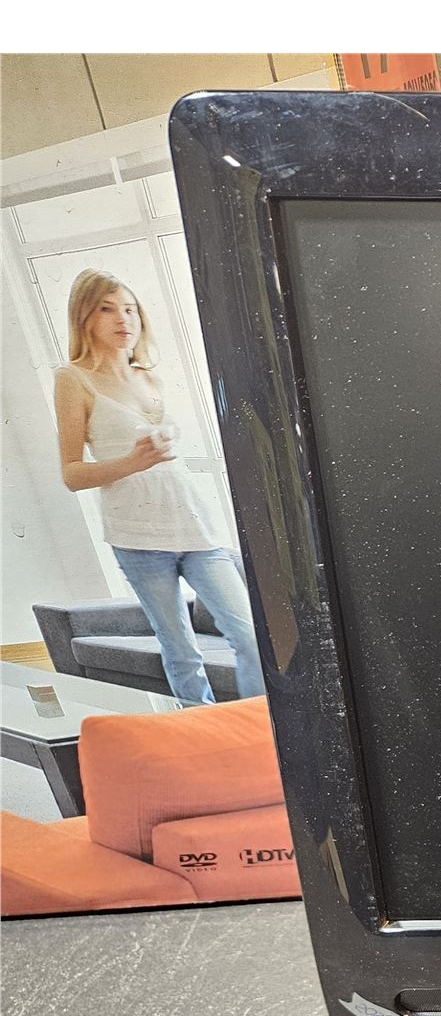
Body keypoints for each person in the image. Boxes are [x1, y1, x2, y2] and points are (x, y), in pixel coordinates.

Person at [54, 268, 264, 705]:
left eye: (130, 309)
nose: (123, 319)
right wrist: (132, 462)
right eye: (107, 309)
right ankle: (201, 730)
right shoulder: (73, 379)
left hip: (196, 527)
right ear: (83, 317)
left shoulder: (152, 378)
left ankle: (263, 730)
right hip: (138, 538)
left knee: (250, 636)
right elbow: (72, 473)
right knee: (181, 649)